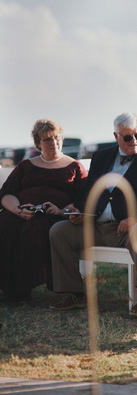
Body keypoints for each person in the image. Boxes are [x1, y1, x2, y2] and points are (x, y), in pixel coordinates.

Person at [49, 113, 137, 316]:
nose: (134, 141)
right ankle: (74, 293)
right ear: (116, 136)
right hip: (95, 224)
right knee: (59, 231)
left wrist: (136, 217)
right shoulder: (101, 156)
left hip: (128, 229)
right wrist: (78, 210)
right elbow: (88, 189)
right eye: (127, 137)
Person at [0, 119, 87, 302]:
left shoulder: (74, 167)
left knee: (34, 230)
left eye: (56, 138)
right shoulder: (25, 166)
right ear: (38, 143)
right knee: (4, 224)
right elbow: (6, 194)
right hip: (22, 212)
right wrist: (17, 210)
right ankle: (7, 287)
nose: (53, 143)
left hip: (54, 217)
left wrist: (61, 211)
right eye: (47, 139)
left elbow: (83, 200)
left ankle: (20, 291)